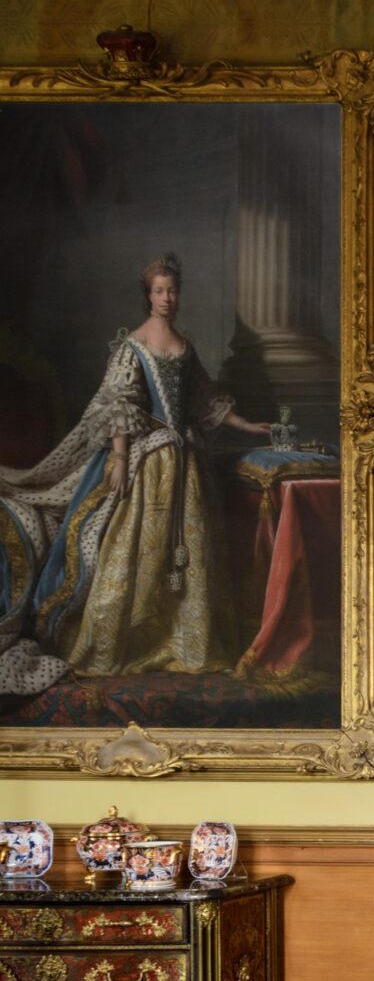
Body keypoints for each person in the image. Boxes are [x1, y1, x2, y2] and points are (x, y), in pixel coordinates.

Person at [0, 252, 270, 698]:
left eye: (173, 290)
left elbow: (204, 399)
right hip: (148, 465)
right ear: (147, 295)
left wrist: (247, 425)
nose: (167, 298)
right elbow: (118, 404)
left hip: (188, 466)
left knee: (188, 558)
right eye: (159, 290)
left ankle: (189, 645)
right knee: (135, 553)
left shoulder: (185, 346)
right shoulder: (133, 345)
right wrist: (121, 460)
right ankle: (120, 645)